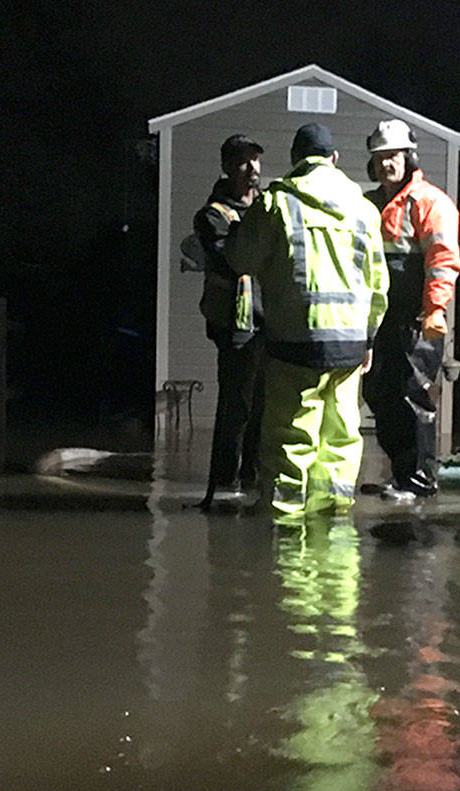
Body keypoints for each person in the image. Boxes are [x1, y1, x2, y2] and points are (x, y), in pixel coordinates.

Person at [224, 123, 389, 516]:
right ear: (334, 158)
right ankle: (333, 519)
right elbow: (378, 284)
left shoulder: (276, 202)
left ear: (296, 159)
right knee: (342, 436)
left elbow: (240, 259)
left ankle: (286, 525)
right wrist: (369, 338)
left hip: (295, 343)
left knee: (291, 436)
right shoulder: (363, 208)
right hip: (349, 345)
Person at [361, 119, 460, 501]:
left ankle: (419, 480)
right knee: (379, 394)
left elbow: (442, 261)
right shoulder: (369, 204)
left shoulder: (429, 202)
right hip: (381, 321)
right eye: (380, 157)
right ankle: (402, 473)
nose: (386, 163)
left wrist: (435, 309)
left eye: (393, 156)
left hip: (416, 321)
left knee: (413, 397)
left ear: (409, 158)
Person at [193, 134, 266, 510]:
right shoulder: (212, 216)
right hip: (234, 326)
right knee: (236, 404)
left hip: (269, 322)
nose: (251, 168)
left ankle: (254, 475)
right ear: (226, 168)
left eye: (255, 160)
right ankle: (225, 479)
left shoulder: (268, 207)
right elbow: (235, 260)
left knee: (264, 404)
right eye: (242, 161)